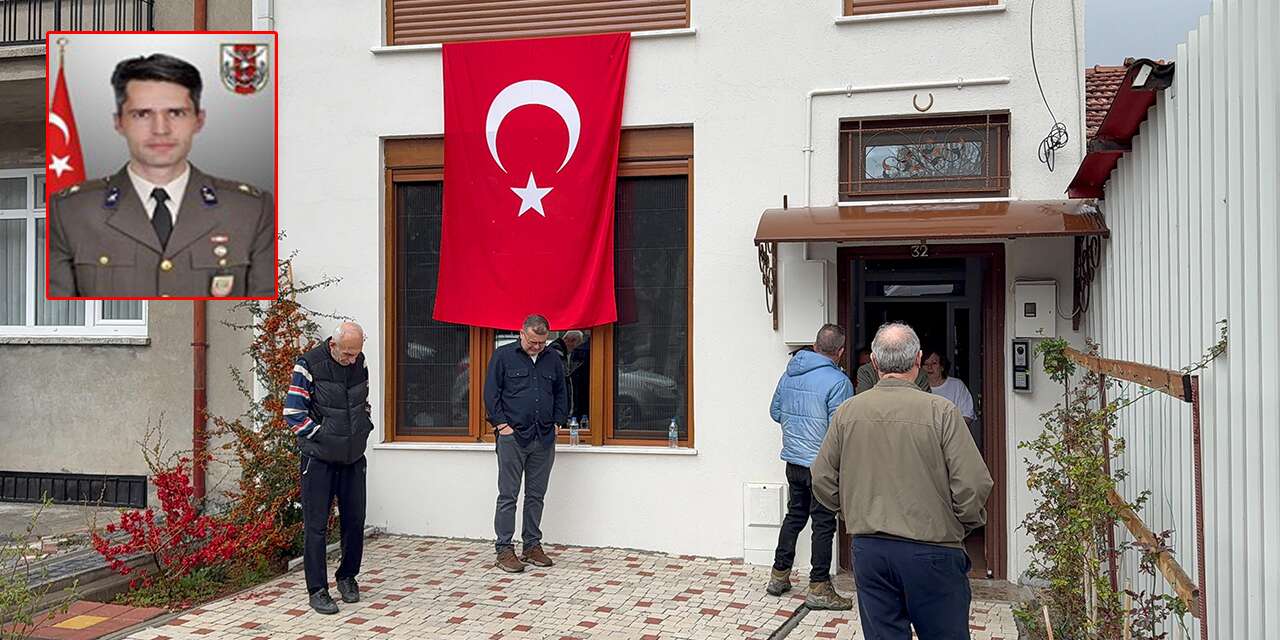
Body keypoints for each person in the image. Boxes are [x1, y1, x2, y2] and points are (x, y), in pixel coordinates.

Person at [811, 323, 993, 640]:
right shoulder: (942, 412)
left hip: (870, 548)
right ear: (918, 360)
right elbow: (974, 484)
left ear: (876, 364)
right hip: (933, 547)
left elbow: (822, 476)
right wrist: (962, 524)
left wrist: (851, 512)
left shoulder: (847, 412)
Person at [47, 53, 274, 298]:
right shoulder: (72, 211)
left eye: (175, 113)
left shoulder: (248, 210)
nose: (160, 129)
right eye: (142, 114)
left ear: (198, 120)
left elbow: (263, 304)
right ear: (119, 122)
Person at [285, 322, 374, 615]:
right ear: (333, 345)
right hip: (319, 459)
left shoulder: (358, 362)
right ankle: (318, 590)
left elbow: (363, 403)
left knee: (354, 520)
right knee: (316, 526)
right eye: (347, 354)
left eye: (356, 353)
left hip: (352, 458)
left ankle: (347, 577)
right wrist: (323, 436)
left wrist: (363, 428)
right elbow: (294, 413)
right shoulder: (308, 364)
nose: (352, 360)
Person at [765, 324, 854, 610]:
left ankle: (779, 575)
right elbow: (841, 430)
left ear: (815, 346)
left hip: (793, 460)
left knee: (795, 516)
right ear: (839, 352)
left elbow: (775, 412)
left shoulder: (789, 372)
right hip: (822, 465)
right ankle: (818, 586)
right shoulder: (839, 382)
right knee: (824, 523)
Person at [485, 314, 566, 573]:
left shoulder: (553, 358)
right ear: (522, 333)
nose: (537, 347)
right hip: (513, 437)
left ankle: (532, 545)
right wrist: (501, 426)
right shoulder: (503, 356)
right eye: (533, 342)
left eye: (542, 342)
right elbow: (491, 392)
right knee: (508, 495)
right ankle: (504, 550)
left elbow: (563, 392)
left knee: (536, 495)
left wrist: (557, 423)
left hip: (543, 437)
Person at [923, 350, 979, 448]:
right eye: (926, 364)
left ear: (942, 367)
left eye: (934, 363)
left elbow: (967, 416)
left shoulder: (957, 386)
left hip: (953, 443)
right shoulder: (917, 388)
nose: (929, 367)